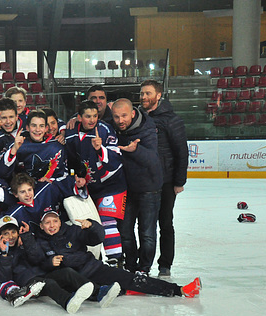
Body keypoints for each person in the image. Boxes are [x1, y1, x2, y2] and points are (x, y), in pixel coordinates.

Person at [25, 209, 201, 299]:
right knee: (97, 291)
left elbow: (98, 238)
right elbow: (38, 261)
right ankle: (125, 291)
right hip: (77, 280)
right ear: (41, 226)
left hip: (93, 268)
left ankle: (179, 290)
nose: (52, 225)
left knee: (133, 279)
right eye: (47, 223)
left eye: (54, 221)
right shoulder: (40, 241)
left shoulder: (72, 231)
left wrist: (92, 226)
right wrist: (50, 262)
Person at [0, 216, 114, 312]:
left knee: (67, 272)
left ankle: (99, 293)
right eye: (6, 233)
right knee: (49, 284)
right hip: (31, 284)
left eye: (13, 232)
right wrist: (4, 254)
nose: (10, 236)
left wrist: (27, 239)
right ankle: (67, 301)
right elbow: (3, 278)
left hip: (44, 274)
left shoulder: (25, 243)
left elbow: (37, 258)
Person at [64, 101, 126, 265]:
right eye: (87, 116)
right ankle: (94, 263)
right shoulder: (70, 132)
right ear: (79, 118)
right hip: (89, 186)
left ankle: (115, 261)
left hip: (111, 185)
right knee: (87, 224)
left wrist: (100, 149)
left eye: (95, 116)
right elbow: (71, 159)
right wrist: (77, 176)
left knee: (107, 222)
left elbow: (116, 158)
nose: (92, 120)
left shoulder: (105, 130)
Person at [139, 80, 189, 277]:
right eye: (142, 93)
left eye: (148, 93)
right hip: (143, 180)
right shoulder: (139, 117)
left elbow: (181, 152)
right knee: (144, 224)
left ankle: (165, 264)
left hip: (166, 180)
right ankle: (142, 264)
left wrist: (179, 181)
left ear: (158, 95)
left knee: (165, 223)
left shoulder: (172, 120)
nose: (144, 97)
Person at [111, 98, 163, 274]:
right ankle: (130, 267)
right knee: (125, 231)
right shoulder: (113, 128)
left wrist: (135, 150)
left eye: (124, 116)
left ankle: (144, 268)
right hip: (126, 189)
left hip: (149, 188)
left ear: (133, 114)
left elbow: (153, 160)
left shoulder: (147, 129)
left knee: (147, 233)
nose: (120, 120)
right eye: (117, 117)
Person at [0, 109, 67, 182]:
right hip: (21, 189)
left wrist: (51, 180)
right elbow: (2, 173)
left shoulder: (57, 146)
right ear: (27, 127)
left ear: (46, 128)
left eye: (41, 126)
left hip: (48, 189)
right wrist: (14, 150)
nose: (37, 130)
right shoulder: (16, 144)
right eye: (34, 125)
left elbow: (63, 175)